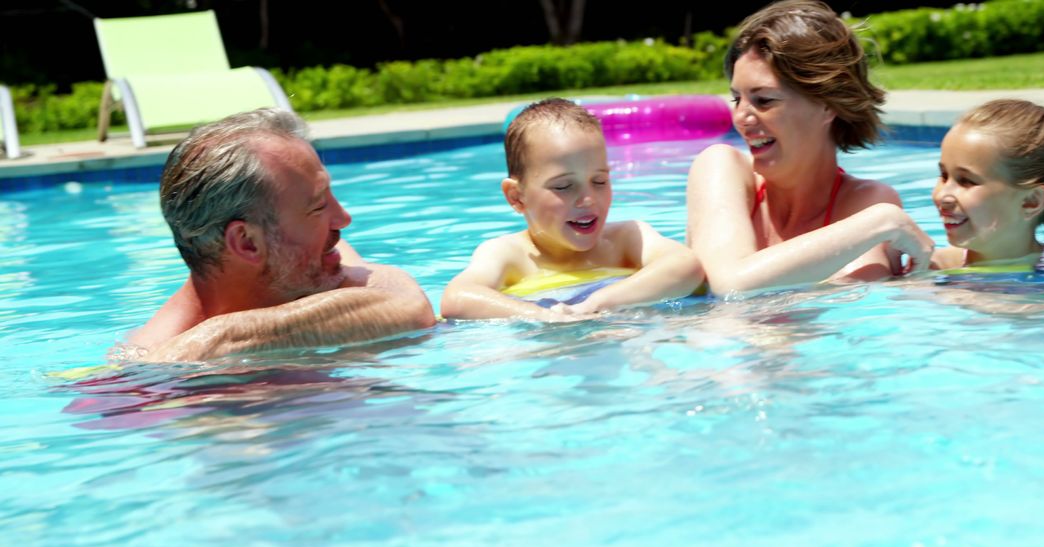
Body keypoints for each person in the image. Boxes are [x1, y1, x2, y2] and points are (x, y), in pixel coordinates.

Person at [123, 108, 436, 362]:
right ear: (247, 243)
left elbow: (406, 302)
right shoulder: (164, 365)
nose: (343, 220)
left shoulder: (308, 263)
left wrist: (228, 334)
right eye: (318, 207)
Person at [685, 0, 934, 295]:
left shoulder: (866, 202)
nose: (740, 118)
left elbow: (851, 313)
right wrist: (881, 223)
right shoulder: (721, 168)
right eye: (737, 99)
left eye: (764, 100)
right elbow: (729, 284)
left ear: (827, 105)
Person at [440, 98, 703, 321]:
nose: (588, 199)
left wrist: (597, 302)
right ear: (517, 197)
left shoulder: (626, 239)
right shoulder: (509, 256)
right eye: (564, 186)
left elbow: (687, 266)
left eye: (599, 181)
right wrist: (541, 315)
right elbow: (457, 299)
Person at [930, 99, 1044, 269]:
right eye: (944, 175)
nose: (942, 196)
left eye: (966, 181)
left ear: (1031, 201)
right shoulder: (928, 268)